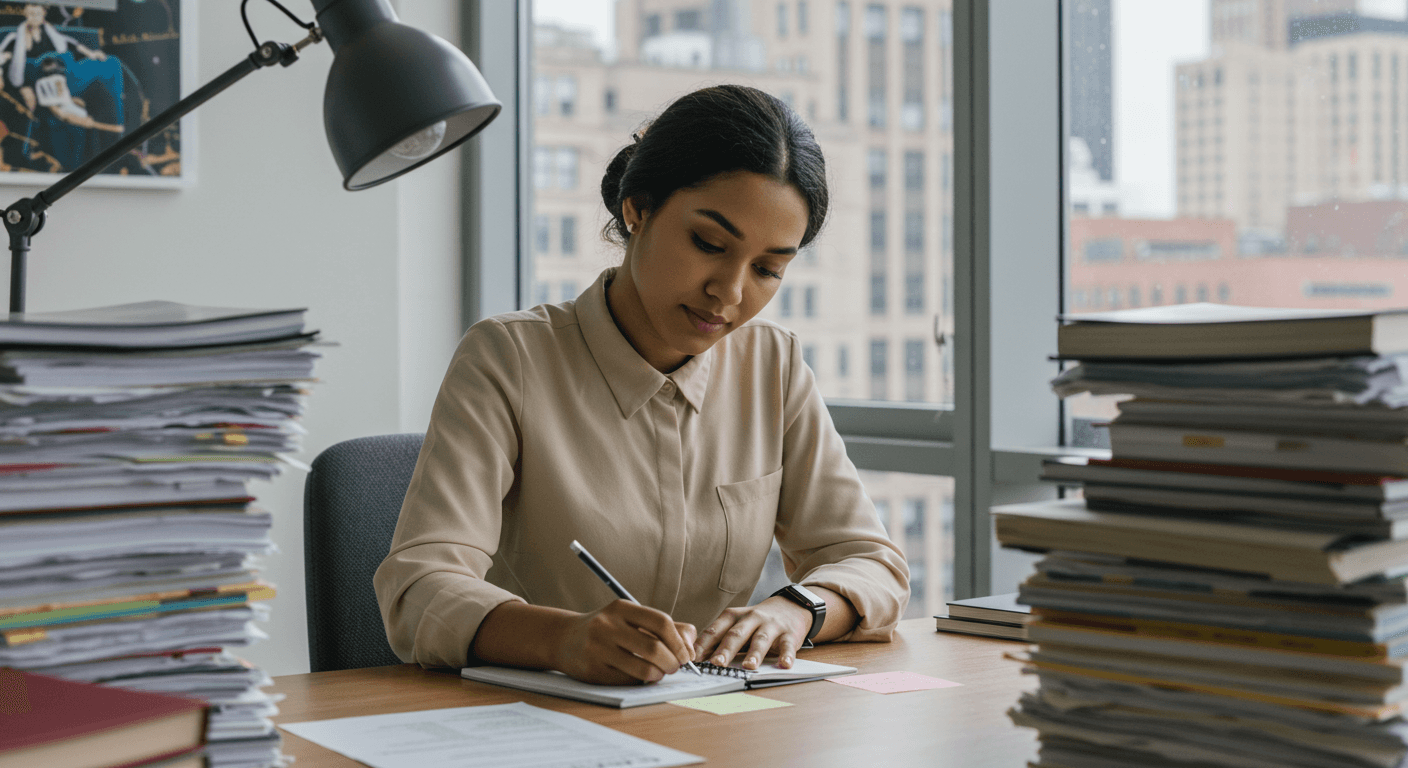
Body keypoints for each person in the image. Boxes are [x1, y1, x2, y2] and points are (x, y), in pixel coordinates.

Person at [374, 84, 910, 685]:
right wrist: (565, 640)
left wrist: (798, 609)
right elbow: (417, 588)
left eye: (767, 269)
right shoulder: (508, 358)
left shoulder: (772, 365)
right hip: (536, 719)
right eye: (709, 244)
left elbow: (872, 563)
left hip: (710, 720)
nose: (731, 293)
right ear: (638, 208)